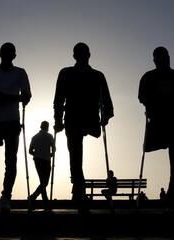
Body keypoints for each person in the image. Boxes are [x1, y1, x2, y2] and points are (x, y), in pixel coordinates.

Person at [53, 42, 114, 213]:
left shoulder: (72, 73)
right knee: (75, 154)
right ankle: (78, 188)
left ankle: (78, 188)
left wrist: (58, 120)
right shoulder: (93, 75)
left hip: (80, 119)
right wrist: (106, 116)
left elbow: (59, 99)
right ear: (88, 55)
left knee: (74, 154)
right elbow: (59, 99)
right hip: (83, 119)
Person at [138, 46, 174, 211]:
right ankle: (173, 191)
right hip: (160, 121)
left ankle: (173, 191)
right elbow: (142, 97)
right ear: (155, 60)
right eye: (159, 57)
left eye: (164, 56)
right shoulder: (149, 77)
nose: (163, 60)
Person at [0, 42, 32, 212]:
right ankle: (5, 195)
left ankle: (6, 196)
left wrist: (7, 98)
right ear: (0, 54)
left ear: (14, 56)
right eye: (5, 53)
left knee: (11, 160)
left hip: (12, 121)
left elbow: (27, 96)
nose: (8, 56)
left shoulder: (20, 73)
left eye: (10, 53)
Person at [28, 121, 56, 211]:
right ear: (47, 127)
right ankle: (33, 197)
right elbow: (54, 148)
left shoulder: (34, 137)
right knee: (45, 182)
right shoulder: (50, 136)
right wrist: (51, 154)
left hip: (37, 160)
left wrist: (37, 154)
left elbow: (30, 151)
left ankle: (46, 203)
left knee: (42, 182)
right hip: (46, 161)